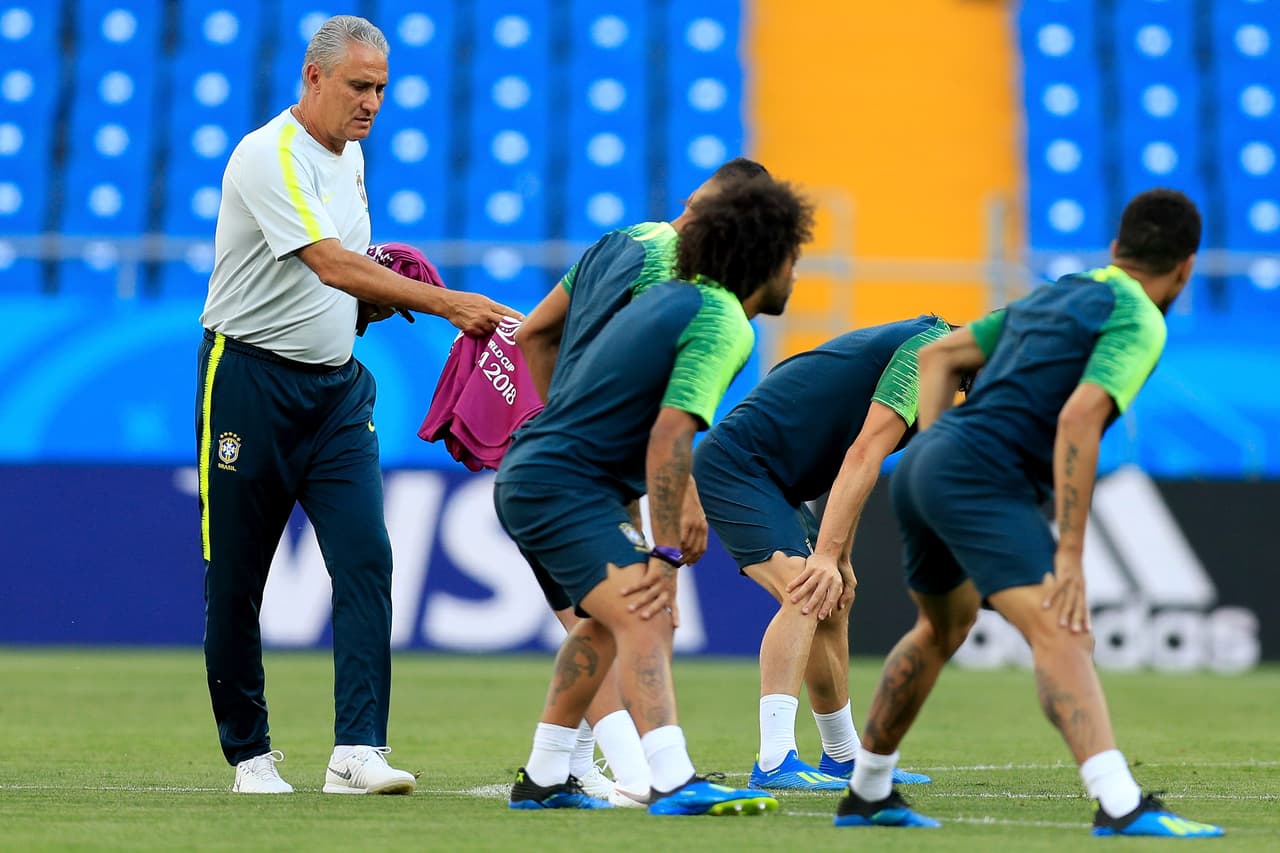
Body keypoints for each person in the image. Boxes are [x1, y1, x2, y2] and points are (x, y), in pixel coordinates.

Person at [832, 188, 1223, 838]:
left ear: (1114, 250)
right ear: (1185, 267)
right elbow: (1079, 418)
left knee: (942, 628)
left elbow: (938, 356)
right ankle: (1120, 802)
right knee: (1064, 630)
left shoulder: (1056, 293)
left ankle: (868, 789)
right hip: (979, 475)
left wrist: (931, 446)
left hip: (926, 465)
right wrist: (1069, 552)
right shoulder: (1141, 320)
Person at [196, 15, 515, 795]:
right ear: (313, 79)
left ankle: (357, 750)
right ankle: (251, 755)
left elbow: (344, 278)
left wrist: (372, 306)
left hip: (336, 389)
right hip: (248, 382)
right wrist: (447, 304)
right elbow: (332, 264)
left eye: (381, 87)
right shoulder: (267, 154)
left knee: (368, 560)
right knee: (238, 578)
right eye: (358, 86)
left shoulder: (353, 156)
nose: (372, 102)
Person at [495, 176, 814, 814]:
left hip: (541, 475)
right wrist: (665, 554)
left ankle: (544, 775)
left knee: (604, 624)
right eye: (793, 260)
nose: (796, 276)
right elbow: (670, 435)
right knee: (645, 609)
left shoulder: (677, 299)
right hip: (564, 485)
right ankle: (671, 778)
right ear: (767, 258)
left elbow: (549, 345)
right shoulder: (723, 319)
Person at [694, 317, 964, 790]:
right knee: (805, 586)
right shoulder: (928, 350)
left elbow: (856, 466)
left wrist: (838, 557)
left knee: (831, 596)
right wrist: (822, 559)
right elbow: (862, 455)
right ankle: (775, 759)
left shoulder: (939, 368)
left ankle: (842, 756)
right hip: (739, 466)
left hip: (777, 480)